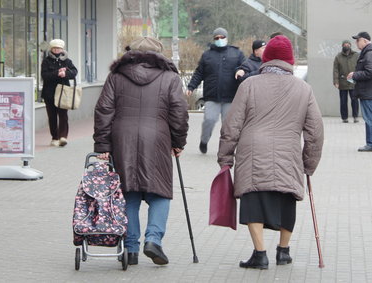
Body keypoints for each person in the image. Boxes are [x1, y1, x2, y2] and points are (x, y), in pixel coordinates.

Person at [218, 35, 324, 269]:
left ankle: (260, 254)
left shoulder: (249, 85)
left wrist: (225, 157)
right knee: (287, 199)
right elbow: (315, 131)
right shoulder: (304, 89)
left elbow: (231, 124)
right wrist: (309, 163)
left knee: (253, 200)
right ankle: (283, 251)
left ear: (265, 59)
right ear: (290, 61)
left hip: (253, 152)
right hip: (289, 153)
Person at [93, 36, 189, 266]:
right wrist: (178, 142)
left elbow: (104, 109)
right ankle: (153, 240)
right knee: (160, 192)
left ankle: (131, 248)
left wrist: (102, 146)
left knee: (129, 194)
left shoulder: (116, 75)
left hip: (122, 138)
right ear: (160, 54)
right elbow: (179, 112)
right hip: (157, 138)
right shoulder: (169, 77)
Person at [186, 27, 245, 154]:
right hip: (212, 96)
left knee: (228, 125)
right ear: (213, 39)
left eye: (222, 37)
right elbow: (199, 73)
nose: (219, 40)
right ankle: (204, 140)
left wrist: (241, 72)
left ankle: (227, 148)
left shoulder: (237, 54)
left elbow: (244, 68)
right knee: (209, 120)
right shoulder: (207, 55)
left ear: (226, 38)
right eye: (216, 38)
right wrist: (191, 87)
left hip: (230, 96)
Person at [41, 39, 78, 147]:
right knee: (52, 116)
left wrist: (65, 74)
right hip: (49, 93)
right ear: (51, 49)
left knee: (63, 115)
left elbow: (74, 72)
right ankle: (54, 137)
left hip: (63, 92)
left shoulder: (67, 61)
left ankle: (63, 137)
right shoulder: (46, 61)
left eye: (59, 48)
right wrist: (57, 73)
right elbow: (45, 76)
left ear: (62, 49)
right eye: (55, 48)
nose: (57, 50)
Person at [348, 32, 372, 152]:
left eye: (358, 40)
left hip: (368, 93)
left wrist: (355, 75)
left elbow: (369, 72)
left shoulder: (368, 53)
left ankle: (370, 143)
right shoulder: (367, 52)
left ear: (365, 41)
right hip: (367, 92)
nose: (356, 43)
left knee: (369, 119)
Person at [333, 40, 359, 123]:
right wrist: (336, 81)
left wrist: (359, 77)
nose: (346, 46)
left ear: (350, 46)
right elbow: (335, 70)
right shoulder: (338, 57)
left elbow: (359, 67)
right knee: (343, 101)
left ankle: (355, 116)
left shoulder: (356, 55)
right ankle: (344, 118)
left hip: (353, 81)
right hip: (342, 81)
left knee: (354, 100)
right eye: (345, 45)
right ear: (342, 46)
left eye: (348, 44)